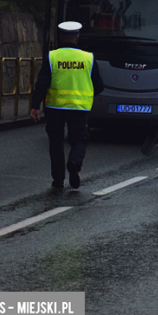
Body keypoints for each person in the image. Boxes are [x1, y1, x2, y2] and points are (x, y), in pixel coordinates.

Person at [30, 21, 104, 189]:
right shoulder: (89, 58)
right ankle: (74, 162)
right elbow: (99, 85)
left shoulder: (52, 57)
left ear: (61, 37)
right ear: (77, 38)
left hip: (55, 107)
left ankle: (58, 180)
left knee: (55, 143)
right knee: (80, 140)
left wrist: (35, 106)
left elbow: (42, 84)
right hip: (79, 108)